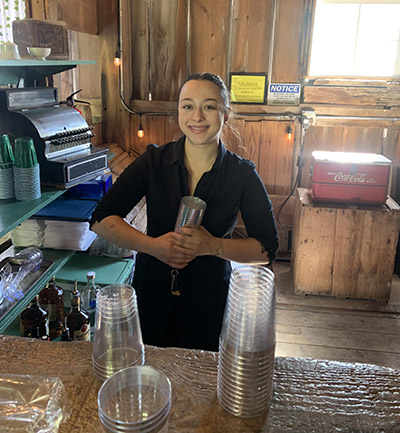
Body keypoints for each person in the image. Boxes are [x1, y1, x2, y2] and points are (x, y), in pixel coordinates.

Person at [90, 72, 279, 351]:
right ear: (178, 112)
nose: (197, 116)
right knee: (149, 370)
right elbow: (101, 219)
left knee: (199, 376)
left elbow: (267, 248)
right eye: (188, 106)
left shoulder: (242, 174)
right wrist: (153, 246)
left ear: (225, 114)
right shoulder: (154, 162)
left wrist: (212, 245)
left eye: (210, 106)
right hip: (151, 288)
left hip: (208, 295)